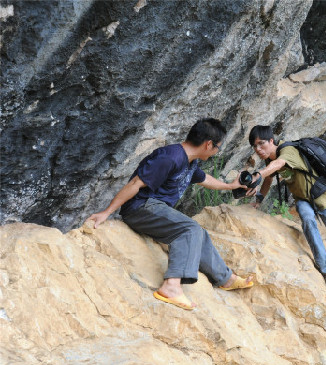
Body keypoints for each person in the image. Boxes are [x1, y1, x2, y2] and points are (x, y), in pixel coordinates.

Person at [86, 118, 254, 310]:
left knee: (199, 234)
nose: (216, 151)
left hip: (156, 209)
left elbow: (203, 178)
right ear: (208, 144)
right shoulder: (170, 157)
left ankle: (227, 279)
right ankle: (171, 287)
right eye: (217, 147)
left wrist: (230, 186)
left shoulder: (190, 162)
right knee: (190, 229)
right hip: (140, 207)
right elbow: (135, 184)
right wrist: (107, 212)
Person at [248, 125, 326, 288]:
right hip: (302, 199)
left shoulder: (287, 151)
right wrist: (259, 199)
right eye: (254, 146)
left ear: (271, 141)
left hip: (322, 197)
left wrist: (256, 175)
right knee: (308, 223)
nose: (258, 149)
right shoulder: (270, 159)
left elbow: (279, 164)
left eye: (261, 144)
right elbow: (269, 178)